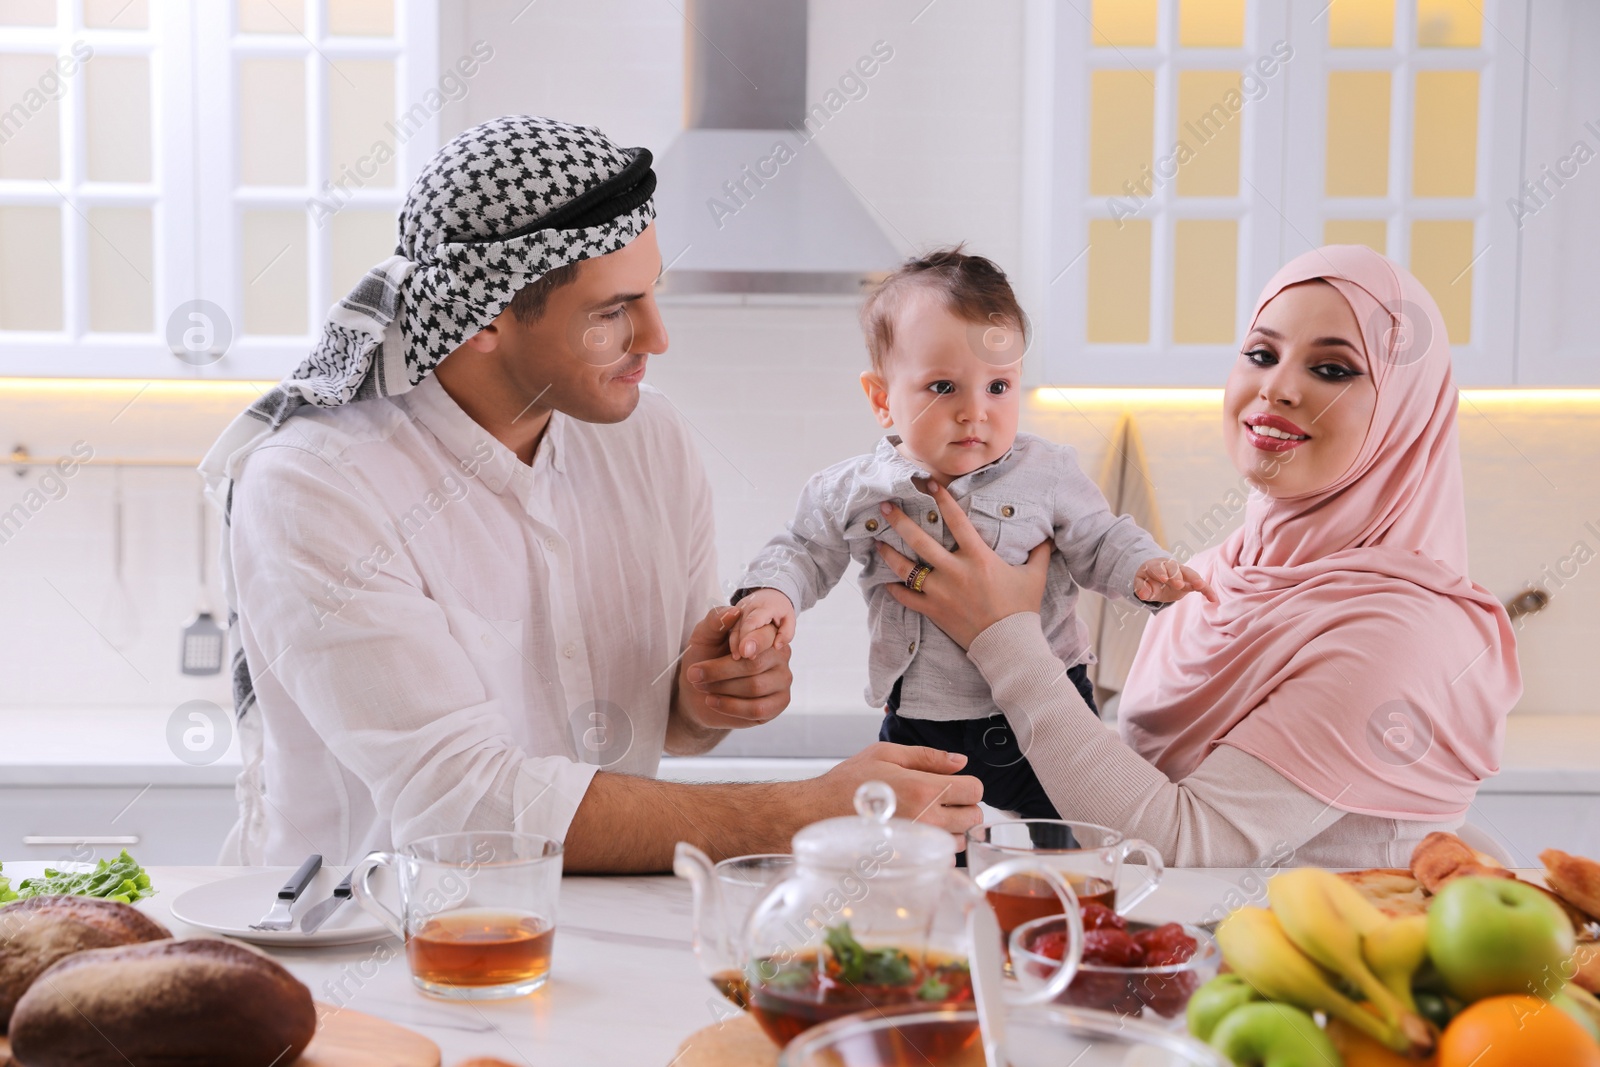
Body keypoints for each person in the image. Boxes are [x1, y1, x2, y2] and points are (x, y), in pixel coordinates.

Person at [198, 116, 982, 870]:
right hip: (375, 952)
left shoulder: (648, 439)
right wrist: (797, 811)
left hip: (596, 933)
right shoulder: (316, 485)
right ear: (482, 319)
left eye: (652, 292)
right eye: (612, 312)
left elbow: (667, 723)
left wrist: (704, 698)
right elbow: (463, 805)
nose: (656, 337)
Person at [870, 245, 1522, 867]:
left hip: (1323, 982)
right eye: (1261, 354)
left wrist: (1003, 636)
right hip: (1189, 970)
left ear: (1405, 412)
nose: (1277, 388)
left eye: (1331, 369)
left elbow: (1188, 844)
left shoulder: (1399, 634)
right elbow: (1125, 794)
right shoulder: (1210, 576)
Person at [729, 248, 1214, 821]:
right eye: (943, 387)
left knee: (1073, 847)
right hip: (921, 721)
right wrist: (772, 594)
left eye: (998, 388)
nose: (974, 412)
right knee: (925, 852)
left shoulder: (1048, 472)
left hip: (1046, 711)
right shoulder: (854, 490)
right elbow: (804, 550)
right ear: (883, 399)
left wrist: (1143, 570)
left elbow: (1100, 539)